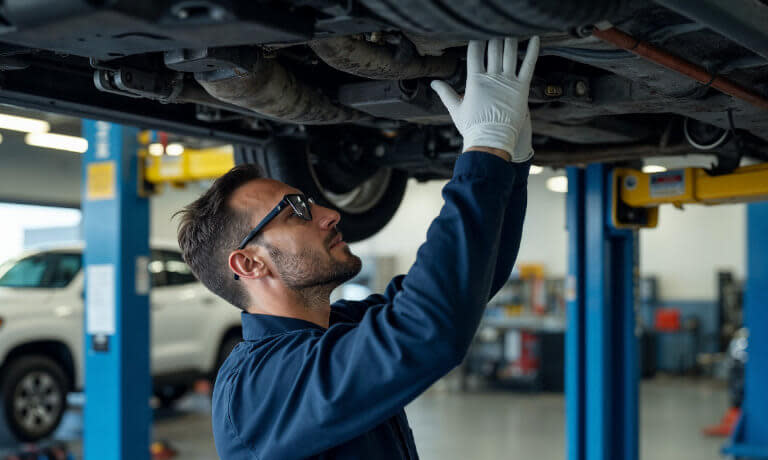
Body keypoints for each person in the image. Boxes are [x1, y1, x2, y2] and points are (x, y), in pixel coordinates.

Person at [175, 36, 540, 460]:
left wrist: (509, 161)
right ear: (249, 262)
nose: (329, 213)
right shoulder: (257, 386)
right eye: (296, 211)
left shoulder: (331, 331)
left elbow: (469, 284)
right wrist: (484, 147)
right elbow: (428, 331)